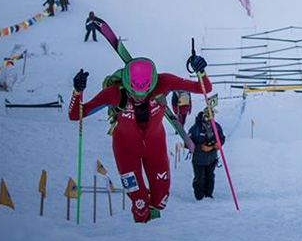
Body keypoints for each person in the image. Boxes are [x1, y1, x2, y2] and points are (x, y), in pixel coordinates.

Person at [68, 52, 212, 222]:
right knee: (140, 202)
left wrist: (200, 70)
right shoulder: (114, 93)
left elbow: (203, 88)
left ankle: (156, 228)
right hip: (126, 150)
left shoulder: (163, 82)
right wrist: (77, 91)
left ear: (152, 84)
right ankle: (141, 232)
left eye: (144, 93)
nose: (139, 97)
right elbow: (76, 114)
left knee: (160, 199)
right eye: (134, 93)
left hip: (155, 146)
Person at [188, 108, 225, 200]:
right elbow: (187, 144)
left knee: (210, 178)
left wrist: (218, 144)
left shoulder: (216, 127)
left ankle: (209, 196)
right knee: (200, 179)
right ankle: (199, 198)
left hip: (211, 158)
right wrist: (201, 147)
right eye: (207, 116)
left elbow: (222, 138)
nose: (209, 119)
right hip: (199, 159)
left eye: (211, 117)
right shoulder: (196, 128)